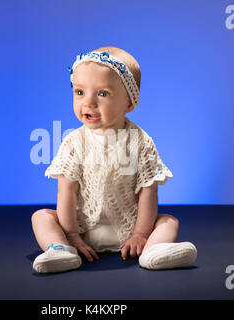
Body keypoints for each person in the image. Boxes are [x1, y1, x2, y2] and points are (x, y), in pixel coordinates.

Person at [31, 46, 197, 273]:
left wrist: (140, 234)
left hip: (131, 231)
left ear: (129, 103)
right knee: (41, 217)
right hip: (81, 231)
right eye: (80, 92)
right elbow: (66, 192)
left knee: (168, 221)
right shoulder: (73, 142)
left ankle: (152, 251)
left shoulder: (140, 141)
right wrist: (71, 235)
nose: (88, 103)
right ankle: (61, 249)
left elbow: (149, 191)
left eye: (102, 93)